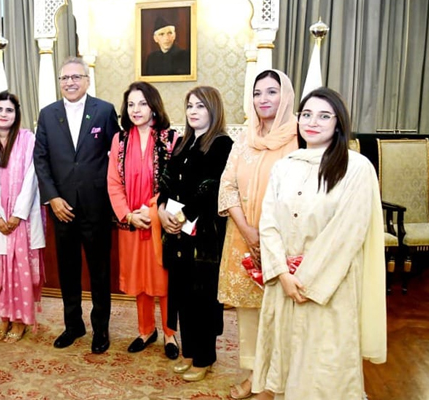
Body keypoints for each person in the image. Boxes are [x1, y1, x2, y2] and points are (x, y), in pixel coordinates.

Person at [251, 87, 386, 399]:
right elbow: (268, 221)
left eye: (324, 116)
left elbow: (347, 232)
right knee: (287, 362)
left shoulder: (356, 168)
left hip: (329, 284)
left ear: (338, 124)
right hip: (285, 283)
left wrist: (306, 281)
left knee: (325, 369)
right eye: (307, 114)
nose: (313, 122)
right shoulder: (284, 166)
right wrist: (282, 274)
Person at [217, 69, 298, 398]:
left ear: (286, 97)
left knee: (279, 313)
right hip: (242, 236)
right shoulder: (244, 138)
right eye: (257, 93)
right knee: (249, 314)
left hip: (282, 241)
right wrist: (248, 231)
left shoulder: (298, 138)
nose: (263, 99)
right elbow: (227, 186)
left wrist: (265, 235)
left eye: (271, 92)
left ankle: (274, 380)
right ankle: (253, 375)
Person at [33, 56, 120, 354]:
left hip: (96, 207)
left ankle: (101, 329)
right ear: (60, 82)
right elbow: (40, 159)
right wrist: (53, 197)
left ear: (87, 80)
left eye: (76, 77)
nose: (70, 82)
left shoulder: (105, 111)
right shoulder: (47, 114)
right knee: (68, 270)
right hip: (61, 207)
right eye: (65, 78)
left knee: (99, 271)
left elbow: (117, 156)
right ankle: (73, 325)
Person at [157, 86, 233, 382]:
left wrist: (182, 215)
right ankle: (190, 353)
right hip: (177, 233)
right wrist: (163, 212)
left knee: (203, 298)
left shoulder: (222, 144)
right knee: (183, 294)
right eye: (189, 106)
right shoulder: (183, 142)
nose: (193, 111)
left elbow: (212, 188)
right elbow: (165, 180)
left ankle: (204, 358)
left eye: (200, 106)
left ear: (213, 110)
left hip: (204, 236)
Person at [107, 81, 178, 359]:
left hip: (160, 221)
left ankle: (170, 334)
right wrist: (128, 214)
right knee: (139, 280)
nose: (136, 109)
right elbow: (114, 183)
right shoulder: (119, 140)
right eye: (131, 104)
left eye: (143, 103)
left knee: (164, 280)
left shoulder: (171, 139)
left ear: (154, 106)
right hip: (132, 224)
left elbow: (174, 183)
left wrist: (152, 210)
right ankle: (146, 330)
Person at [0, 91, 46, 343]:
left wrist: (17, 214)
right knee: (0, 271)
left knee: (20, 269)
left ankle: (20, 321)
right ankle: (5, 317)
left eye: (9, 110)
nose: (3, 114)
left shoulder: (28, 139)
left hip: (22, 217)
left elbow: (33, 177)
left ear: (16, 115)